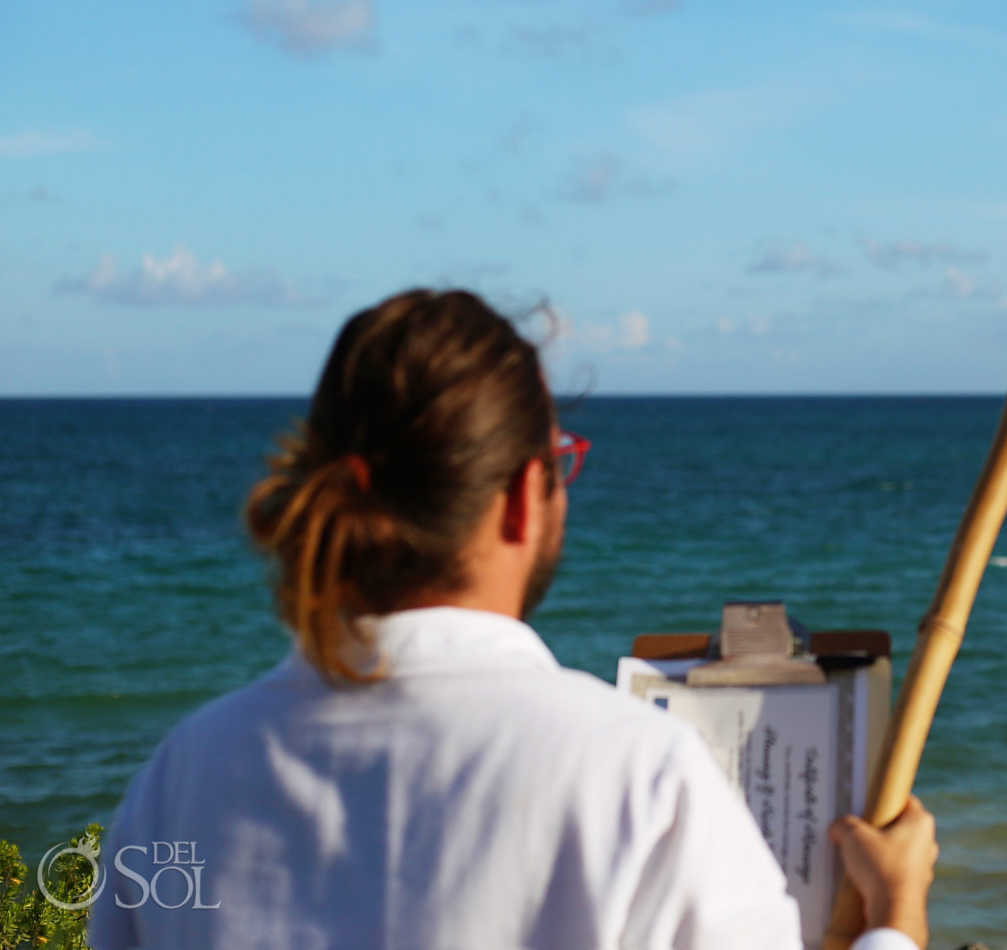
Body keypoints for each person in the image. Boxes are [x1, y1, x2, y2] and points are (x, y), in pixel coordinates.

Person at [90, 289, 935, 950]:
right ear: (524, 499)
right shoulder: (639, 778)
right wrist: (894, 918)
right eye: (560, 463)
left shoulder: (180, 779)